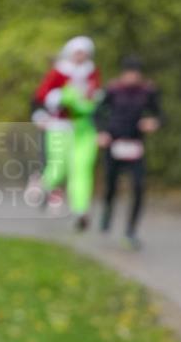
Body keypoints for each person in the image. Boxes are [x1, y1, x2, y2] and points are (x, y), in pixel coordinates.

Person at [32, 36, 102, 229]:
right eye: (78, 52)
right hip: (59, 125)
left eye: (84, 53)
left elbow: (95, 98)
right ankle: (44, 186)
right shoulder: (59, 72)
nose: (81, 56)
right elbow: (40, 96)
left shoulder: (91, 72)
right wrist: (56, 102)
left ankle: (81, 210)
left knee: (81, 169)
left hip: (82, 128)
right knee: (58, 166)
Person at [96, 56, 161, 249]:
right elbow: (97, 113)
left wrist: (154, 122)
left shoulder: (147, 92)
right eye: (129, 73)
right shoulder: (112, 90)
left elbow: (159, 114)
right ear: (123, 73)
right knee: (111, 185)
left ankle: (131, 230)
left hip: (135, 145)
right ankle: (107, 210)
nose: (133, 77)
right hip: (114, 143)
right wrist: (101, 132)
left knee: (139, 187)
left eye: (136, 73)